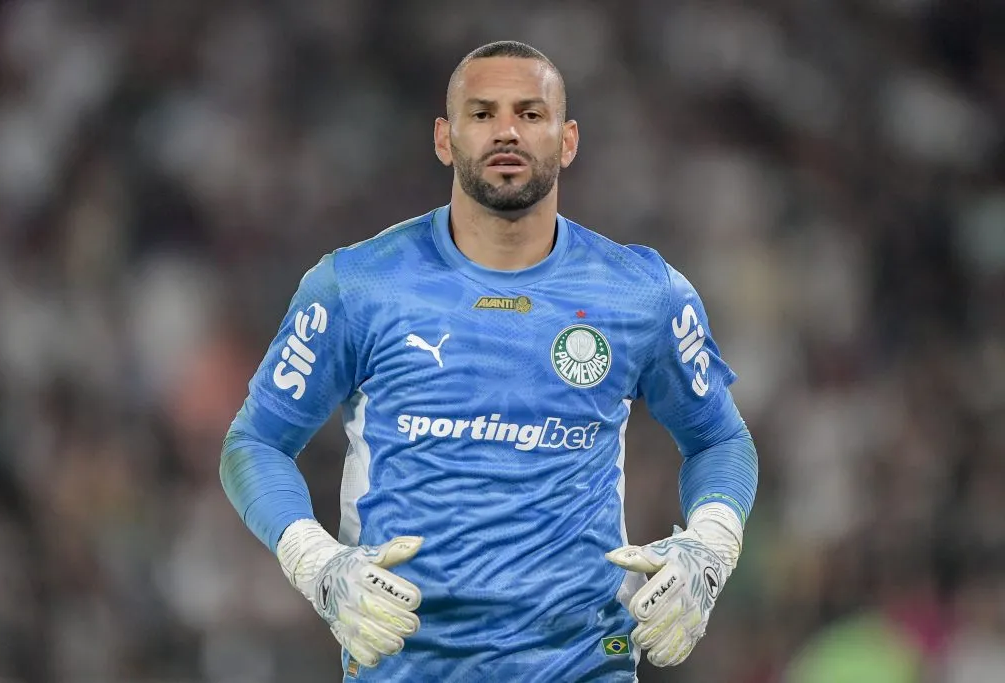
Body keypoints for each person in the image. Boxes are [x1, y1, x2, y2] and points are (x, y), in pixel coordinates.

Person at [220, 40, 759, 682]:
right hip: (406, 665)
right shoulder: (356, 287)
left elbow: (720, 441)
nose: (506, 131)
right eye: (482, 114)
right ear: (445, 139)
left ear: (568, 140)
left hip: (584, 665)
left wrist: (708, 550)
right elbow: (254, 443)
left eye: (531, 114)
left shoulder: (644, 293)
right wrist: (317, 564)